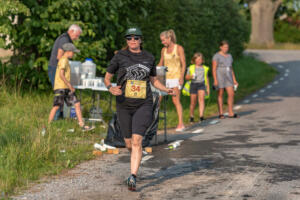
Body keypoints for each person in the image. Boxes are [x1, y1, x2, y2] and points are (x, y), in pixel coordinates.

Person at [104, 27, 175, 191]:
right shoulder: (120, 57)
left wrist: (165, 89)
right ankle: (134, 159)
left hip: (144, 104)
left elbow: (154, 80)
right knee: (129, 143)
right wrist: (110, 87)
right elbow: (107, 78)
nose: (133, 41)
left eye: (136, 38)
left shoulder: (149, 57)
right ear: (126, 40)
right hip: (123, 104)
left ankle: (133, 176)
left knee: (137, 141)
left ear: (141, 40)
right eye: (129, 38)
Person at [48, 43, 93, 131]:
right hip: (61, 87)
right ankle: (48, 126)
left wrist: (69, 86)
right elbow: (61, 74)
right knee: (56, 106)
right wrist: (69, 85)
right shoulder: (63, 60)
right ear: (68, 52)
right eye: (73, 52)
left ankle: (82, 125)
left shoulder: (66, 60)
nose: (74, 54)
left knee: (77, 104)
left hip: (66, 88)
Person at [48, 24, 82, 120]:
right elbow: (59, 56)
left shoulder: (67, 39)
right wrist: (65, 65)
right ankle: (55, 119)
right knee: (59, 95)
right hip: (56, 69)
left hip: (58, 69)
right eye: (77, 35)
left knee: (62, 96)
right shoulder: (65, 39)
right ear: (71, 31)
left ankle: (60, 117)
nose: (77, 37)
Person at [158, 29, 186, 131]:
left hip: (176, 78)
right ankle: (153, 124)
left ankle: (180, 123)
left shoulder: (178, 48)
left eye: (164, 40)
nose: (162, 42)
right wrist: (154, 73)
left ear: (169, 38)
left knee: (175, 100)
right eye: (161, 41)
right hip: (165, 78)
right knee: (158, 100)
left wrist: (182, 77)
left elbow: (183, 64)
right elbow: (161, 64)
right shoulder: (163, 50)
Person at [212, 40, 239, 119]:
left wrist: (234, 79)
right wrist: (215, 80)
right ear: (220, 47)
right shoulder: (216, 56)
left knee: (231, 94)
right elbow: (214, 69)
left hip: (228, 77)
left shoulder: (229, 56)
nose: (226, 49)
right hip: (220, 76)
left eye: (227, 47)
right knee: (220, 94)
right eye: (224, 47)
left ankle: (230, 112)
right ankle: (221, 113)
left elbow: (231, 68)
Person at [183, 52, 210, 122]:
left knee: (201, 100)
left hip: (201, 84)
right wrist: (191, 76)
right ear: (194, 60)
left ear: (202, 60)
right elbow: (186, 77)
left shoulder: (204, 68)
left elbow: (206, 78)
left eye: (200, 60)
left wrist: (208, 88)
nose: (198, 61)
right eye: (197, 60)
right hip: (193, 85)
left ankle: (201, 116)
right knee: (193, 102)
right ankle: (191, 116)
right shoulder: (191, 68)